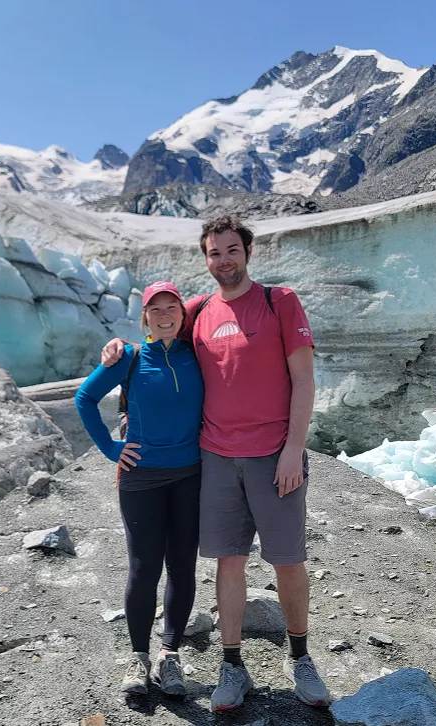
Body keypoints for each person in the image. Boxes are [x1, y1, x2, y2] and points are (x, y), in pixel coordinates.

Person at [100, 215, 330, 712]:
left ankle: (301, 657)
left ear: (247, 252)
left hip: (274, 456)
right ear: (205, 259)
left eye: (231, 250)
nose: (223, 260)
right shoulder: (197, 310)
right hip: (217, 458)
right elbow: (156, 337)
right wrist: (117, 349)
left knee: (288, 559)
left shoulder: (279, 301)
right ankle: (232, 664)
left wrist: (294, 448)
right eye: (214, 253)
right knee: (229, 559)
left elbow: (305, 380)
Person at [74, 281, 205, 698]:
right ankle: (138, 656)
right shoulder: (129, 357)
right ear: (144, 317)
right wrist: (112, 449)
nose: (165, 314)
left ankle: (169, 655)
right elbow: (85, 398)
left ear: (183, 315)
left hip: (190, 473)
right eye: (156, 309)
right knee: (144, 567)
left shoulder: (196, 354)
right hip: (141, 477)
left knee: (182, 565)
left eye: (172, 307)